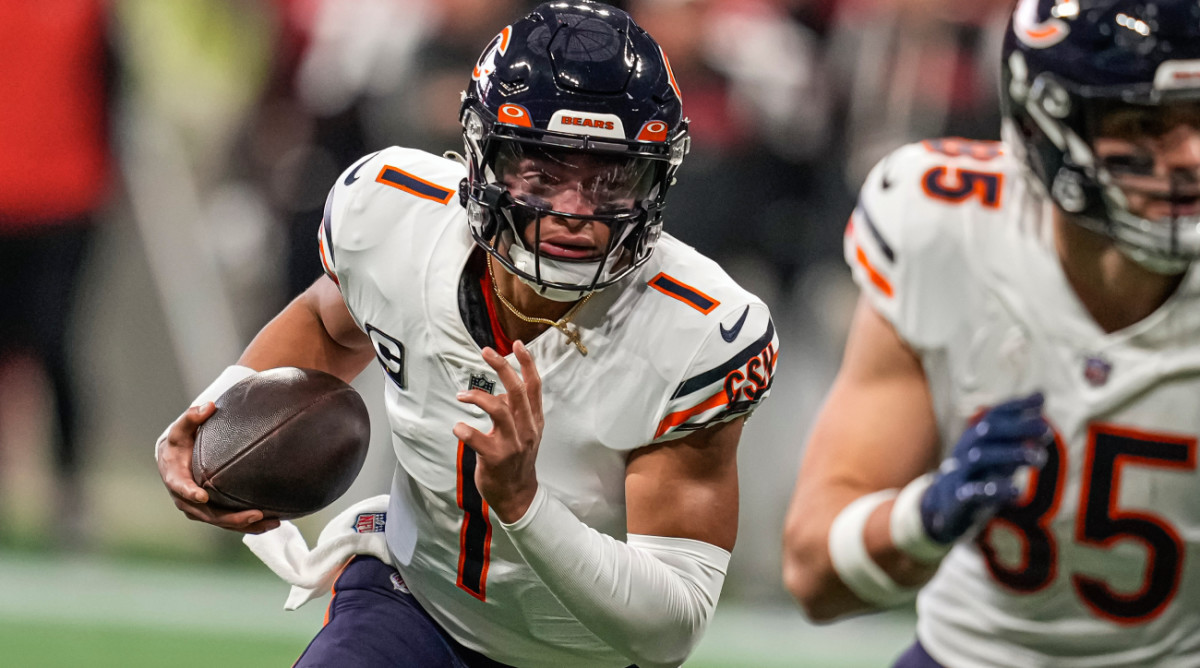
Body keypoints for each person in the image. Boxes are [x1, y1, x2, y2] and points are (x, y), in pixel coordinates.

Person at [156, 3, 778, 668]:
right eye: (542, 172)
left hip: (579, 657)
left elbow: (671, 627)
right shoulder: (391, 213)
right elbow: (328, 325)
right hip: (407, 602)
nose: (573, 212)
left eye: (610, 179)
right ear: (482, 157)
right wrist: (218, 421)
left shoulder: (699, 330)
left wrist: (524, 503)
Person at [782, 1, 1200, 666]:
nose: (1192, 155)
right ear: (1048, 124)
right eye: (1148, 123)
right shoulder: (949, 226)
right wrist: (926, 515)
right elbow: (813, 574)